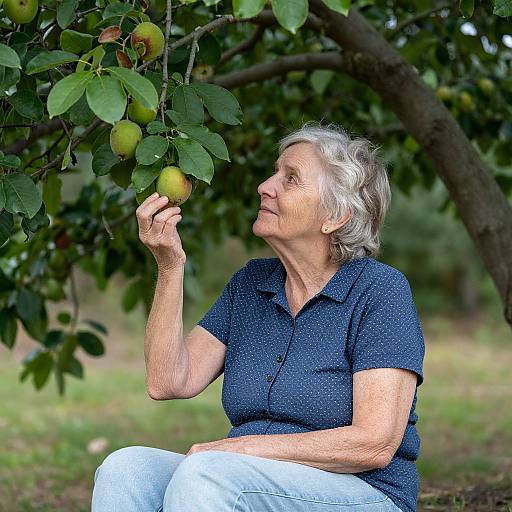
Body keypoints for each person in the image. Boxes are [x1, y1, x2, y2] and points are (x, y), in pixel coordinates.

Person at [91, 121, 425, 512]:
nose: (265, 186)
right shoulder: (251, 284)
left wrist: (240, 449)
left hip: (363, 493)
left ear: (336, 217)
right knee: (124, 468)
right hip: (246, 476)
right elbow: (167, 381)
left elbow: (374, 443)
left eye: (291, 179)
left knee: (208, 474)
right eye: (275, 172)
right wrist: (170, 266)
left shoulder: (378, 290)